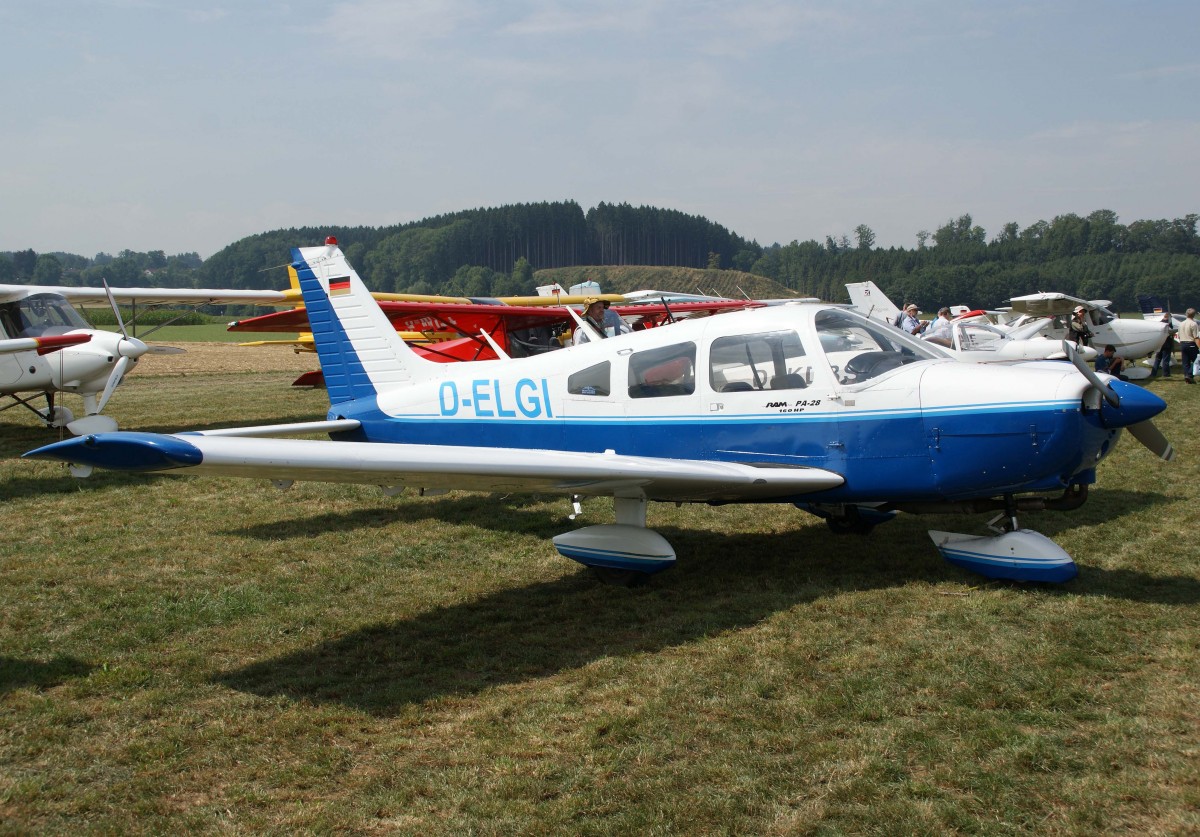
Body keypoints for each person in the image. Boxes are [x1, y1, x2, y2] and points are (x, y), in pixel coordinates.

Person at [1150, 312, 1177, 378]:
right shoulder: (1168, 324)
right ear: (1169, 317)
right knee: (1166, 359)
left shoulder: (1159, 323)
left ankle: (1153, 373)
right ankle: (1166, 373)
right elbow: (1170, 332)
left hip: (1159, 344)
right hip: (1167, 344)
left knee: (1157, 359)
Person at [1178, 308, 1200, 384]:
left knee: (1185, 362)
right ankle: (1189, 375)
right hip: (1191, 344)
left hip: (1183, 344)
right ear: (1194, 315)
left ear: (1186, 314)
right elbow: (1196, 337)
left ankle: (1187, 377)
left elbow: (1179, 335)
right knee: (1196, 361)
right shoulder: (1193, 324)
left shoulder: (1181, 323)